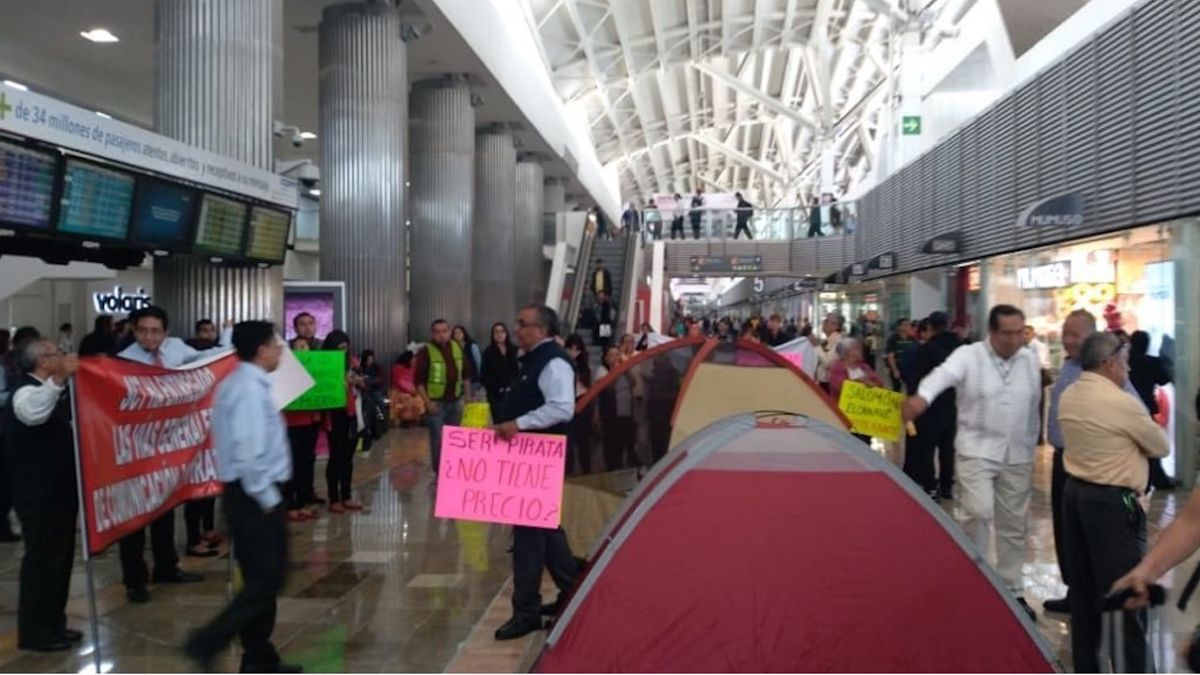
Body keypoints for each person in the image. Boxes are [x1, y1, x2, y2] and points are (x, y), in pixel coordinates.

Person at [903, 305, 1040, 619]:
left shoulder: (1029, 359)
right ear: (992, 332)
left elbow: (1034, 404)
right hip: (977, 448)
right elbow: (942, 376)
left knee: (1014, 524)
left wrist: (1033, 442)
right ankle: (975, 579)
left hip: (1017, 452)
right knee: (978, 511)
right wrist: (922, 398)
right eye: (1007, 333)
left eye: (1020, 332)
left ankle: (1012, 589)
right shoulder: (970, 355)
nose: (1015, 339)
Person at [184, 321, 299, 673]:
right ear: (262, 350)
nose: (281, 351)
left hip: (249, 494)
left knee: (262, 578)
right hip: (254, 496)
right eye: (276, 345)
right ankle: (207, 642)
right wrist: (268, 500)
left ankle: (258, 656)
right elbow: (248, 454)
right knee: (266, 579)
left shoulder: (243, 383)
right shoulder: (247, 389)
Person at [1057, 331, 1167, 673]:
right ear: (1108, 363)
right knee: (1126, 594)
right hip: (1115, 502)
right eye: (1124, 362)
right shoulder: (1120, 402)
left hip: (1075, 496)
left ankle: (1087, 667)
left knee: (1084, 594)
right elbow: (1160, 445)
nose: (1128, 369)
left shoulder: (1069, 393)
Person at [117, 306, 226, 603]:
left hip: (169, 446)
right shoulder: (123, 362)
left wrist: (228, 346)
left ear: (165, 332)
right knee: (135, 519)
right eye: (142, 330)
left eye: (155, 331)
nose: (149, 337)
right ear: (134, 330)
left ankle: (167, 567)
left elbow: (207, 361)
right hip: (137, 450)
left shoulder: (177, 349)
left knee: (165, 510)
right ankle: (134, 580)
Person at [1043, 310, 1144, 615]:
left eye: (1075, 334)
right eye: (1065, 333)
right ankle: (1077, 591)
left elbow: (1138, 414)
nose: (1067, 340)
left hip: (1097, 468)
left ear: (1093, 338)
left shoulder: (1109, 373)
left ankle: (1097, 596)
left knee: (1098, 538)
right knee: (1066, 532)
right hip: (1066, 462)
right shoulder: (1070, 367)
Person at [492, 305, 580, 641]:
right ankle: (571, 592)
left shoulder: (553, 361)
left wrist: (519, 423)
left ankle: (526, 611)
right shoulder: (533, 359)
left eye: (523, 324)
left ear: (541, 330)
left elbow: (561, 407)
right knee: (545, 528)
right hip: (529, 458)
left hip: (539, 459)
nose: (516, 329)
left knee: (529, 537)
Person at [2, 339, 83, 651]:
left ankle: (54, 623)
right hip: (39, 496)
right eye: (56, 355)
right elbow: (33, 413)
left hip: (58, 493)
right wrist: (60, 379)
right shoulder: (26, 391)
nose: (63, 358)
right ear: (43, 362)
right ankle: (36, 633)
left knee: (59, 563)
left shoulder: (50, 391)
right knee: (43, 563)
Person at [906, 312, 962, 501]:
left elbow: (918, 377)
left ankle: (931, 486)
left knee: (927, 448)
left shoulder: (927, 349)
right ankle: (947, 486)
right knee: (948, 449)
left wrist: (913, 400)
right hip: (951, 404)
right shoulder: (960, 348)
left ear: (930, 327)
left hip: (928, 406)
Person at [415, 320, 474, 474]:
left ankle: (453, 471)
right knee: (438, 441)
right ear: (432, 334)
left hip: (455, 401)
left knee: (456, 440)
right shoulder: (425, 352)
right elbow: (418, 381)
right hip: (436, 404)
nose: (441, 335)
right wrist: (427, 403)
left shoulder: (457, 348)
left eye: (444, 331)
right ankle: (440, 473)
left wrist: (468, 396)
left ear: (449, 332)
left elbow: (466, 374)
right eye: (437, 331)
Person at [183, 318, 221, 554]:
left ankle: (207, 529)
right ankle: (193, 538)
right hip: (191, 439)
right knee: (194, 492)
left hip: (212, 437)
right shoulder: (186, 373)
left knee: (209, 488)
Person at [320, 330, 364, 513]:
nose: (342, 353)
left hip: (352, 413)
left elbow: (366, 381)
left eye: (345, 349)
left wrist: (358, 381)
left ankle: (346, 495)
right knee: (336, 456)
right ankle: (334, 497)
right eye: (338, 349)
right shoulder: (324, 364)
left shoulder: (353, 362)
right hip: (334, 414)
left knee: (348, 457)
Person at [1128, 330, 1176, 490]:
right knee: (1151, 445)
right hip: (1145, 408)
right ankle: (1158, 480)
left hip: (1126, 408)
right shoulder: (1150, 362)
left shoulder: (1124, 361)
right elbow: (1164, 379)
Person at [283, 338, 322, 524]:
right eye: (298, 347)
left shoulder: (315, 369)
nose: (302, 350)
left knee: (305, 464)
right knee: (292, 464)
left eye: (305, 346)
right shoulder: (285, 370)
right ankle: (290, 505)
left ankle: (301, 502)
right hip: (291, 423)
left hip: (310, 421)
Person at [828, 338, 883, 444]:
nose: (860, 350)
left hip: (865, 417)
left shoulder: (864, 367)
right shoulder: (837, 367)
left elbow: (879, 384)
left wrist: (873, 385)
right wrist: (861, 382)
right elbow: (840, 387)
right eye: (856, 348)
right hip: (845, 417)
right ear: (846, 352)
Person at [596, 346, 640, 471]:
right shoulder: (602, 370)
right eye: (611, 355)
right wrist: (615, 372)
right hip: (611, 414)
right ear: (605, 358)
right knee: (612, 445)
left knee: (627, 443)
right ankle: (612, 468)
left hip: (626, 413)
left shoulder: (623, 370)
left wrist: (625, 370)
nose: (615, 358)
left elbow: (633, 383)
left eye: (617, 355)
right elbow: (608, 388)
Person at [564, 334, 594, 475]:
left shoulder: (584, 367)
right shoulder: (562, 364)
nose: (573, 352)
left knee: (583, 441)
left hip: (583, 401)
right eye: (571, 348)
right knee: (569, 441)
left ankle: (585, 470)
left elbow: (589, 386)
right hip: (568, 402)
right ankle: (568, 472)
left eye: (577, 349)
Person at [481, 322, 520, 414]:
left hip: (513, 391)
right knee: (498, 418)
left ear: (506, 333)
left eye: (502, 331)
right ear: (493, 335)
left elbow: (518, 370)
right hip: (495, 393)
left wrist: (512, 386)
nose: (499, 334)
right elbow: (485, 374)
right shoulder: (488, 352)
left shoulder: (515, 349)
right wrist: (499, 388)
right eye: (496, 332)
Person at [389, 351, 426, 426]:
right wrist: (409, 390)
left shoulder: (413, 368)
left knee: (420, 398)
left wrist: (414, 389)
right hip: (400, 390)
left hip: (412, 389)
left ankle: (419, 419)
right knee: (406, 398)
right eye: (413, 359)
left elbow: (415, 380)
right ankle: (405, 420)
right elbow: (398, 382)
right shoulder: (398, 368)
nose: (414, 360)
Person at [815, 313, 845, 393]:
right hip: (822, 382)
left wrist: (817, 347)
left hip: (829, 385)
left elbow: (828, 363)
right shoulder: (828, 341)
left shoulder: (839, 342)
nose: (824, 323)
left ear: (835, 326)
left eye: (827, 321)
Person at [885, 319, 915, 392]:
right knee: (896, 390)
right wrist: (895, 370)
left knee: (911, 389)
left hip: (909, 368)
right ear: (899, 327)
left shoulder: (912, 339)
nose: (907, 327)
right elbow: (890, 356)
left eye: (909, 325)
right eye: (905, 325)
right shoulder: (893, 339)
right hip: (897, 367)